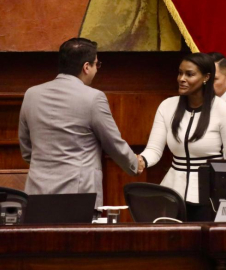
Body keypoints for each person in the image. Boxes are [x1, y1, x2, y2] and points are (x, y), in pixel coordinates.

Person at [18, 38, 143, 210]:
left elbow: (26, 147)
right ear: (86, 67)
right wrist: (134, 164)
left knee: (42, 237)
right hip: (78, 194)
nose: (96, 70)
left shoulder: (31, 94)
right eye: (96, 65)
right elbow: (112, 142)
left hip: (37, 190)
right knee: (76, 238)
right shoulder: (93, 98)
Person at [140, 53, 226, 221]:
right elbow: (154, 149)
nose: (182, 78)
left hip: (209, 195)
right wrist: (142, 160)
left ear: (206, 77)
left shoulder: (223, 110)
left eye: (189, 74)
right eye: (180, 73)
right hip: (172, 192)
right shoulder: (167, 106)